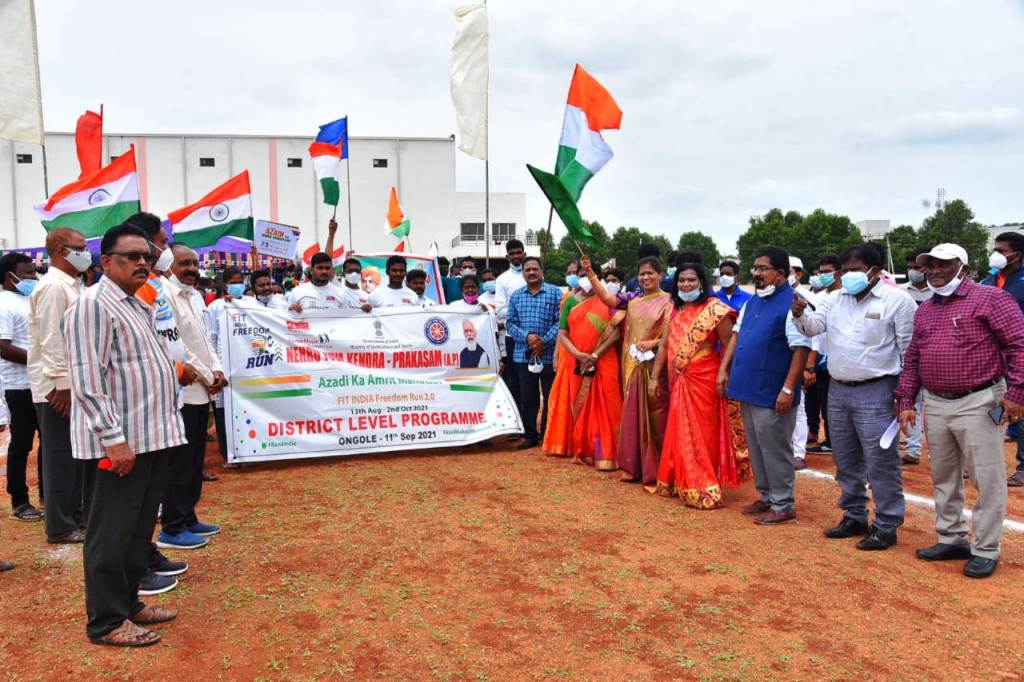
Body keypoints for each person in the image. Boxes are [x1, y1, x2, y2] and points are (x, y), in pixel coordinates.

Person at [67, 223, 188, 646]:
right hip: (119, 443)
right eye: (131, 256)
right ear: (106, 262)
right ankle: (106, 621)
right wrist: (113, 438)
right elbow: (87, 379)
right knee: (111, 532)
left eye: (147, 257)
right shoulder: (93, 305)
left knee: (138, 530)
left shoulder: (138, 303)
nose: (142, 263)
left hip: (150, 436)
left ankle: (130, 603)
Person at [896, 244, 1024, 578]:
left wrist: (1017, 393)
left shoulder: (991, 299)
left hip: (980, 399)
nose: (934, 270)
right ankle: (952, 537)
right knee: (944, 475)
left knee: (986, 477)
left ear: (963, 267)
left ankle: (985, 548)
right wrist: (906, 400)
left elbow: (1019, 345)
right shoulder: (926, 309)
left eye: (943, 264)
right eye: (930, 265)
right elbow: (913, 357)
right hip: (936, 401)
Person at [793, 244, 916, 550]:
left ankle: (887, 523)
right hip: (838, 388)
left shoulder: (898, 301)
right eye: (845, 270)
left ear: (876, 271)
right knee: (845, 457)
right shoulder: (834, 299)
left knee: (880, 461)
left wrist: (905, 397)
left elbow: (909, 351)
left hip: (878, 389)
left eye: (856, 270)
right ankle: (854, 514)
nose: (849, 275)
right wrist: (799, 314)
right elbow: (813, 328)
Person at [719, 246, 810, 525]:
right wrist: (724, 370)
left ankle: (783, 504)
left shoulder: (793, 304)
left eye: (762, 269)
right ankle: (767, 495)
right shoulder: (753, 302)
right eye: (755, 268)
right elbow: (736, 336)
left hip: (773, 390)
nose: (756, 273)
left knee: (775, 448)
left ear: (780, 274)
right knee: (757, 447)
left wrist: (788, 389)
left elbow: (801, 348)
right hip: (747, 386)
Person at [649, 262, 747, 507]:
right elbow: (664, 345)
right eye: (682, 280)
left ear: (701, 282)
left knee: (703, 432)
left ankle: (704, 484)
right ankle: (678, 479)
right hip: (678, 378)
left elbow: (729, 345)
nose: (686, 284)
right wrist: (654, 376)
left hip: (705, 379)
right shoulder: (673, 309)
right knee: (679, 428)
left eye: (691, 280)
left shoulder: (715, 309)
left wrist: (724, 374)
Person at [28, 227, 89, 544]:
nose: (86, 252)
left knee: (76, 456)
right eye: (81, 247)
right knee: (61, 458)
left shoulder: (73, 285)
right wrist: (61, 386)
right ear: (62, 251)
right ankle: (60, 525)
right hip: (56, 389)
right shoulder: (53, 287)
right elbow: (52, 339)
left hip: (73, 384)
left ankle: (75, 516)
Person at [165, 243, 227, 552]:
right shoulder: (165, 296)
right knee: (180, 462)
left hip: (202, 388)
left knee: (194, 460)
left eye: (194, 263)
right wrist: (206, 375)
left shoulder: (196, 296)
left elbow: (205, 340)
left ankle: (189, 517)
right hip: (184, 391)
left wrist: (216, 369)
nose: (191, 268)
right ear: (169, 265)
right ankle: (173, 527)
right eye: (183, 263)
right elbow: (179, 348)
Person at [543, 267, 622, 468]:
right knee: (579, 402)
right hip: (576, 361)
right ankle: (580, 447)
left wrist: (595, 356)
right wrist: (578, 355)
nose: (585, 279)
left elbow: (615, 334)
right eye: (581, 276)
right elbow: (562, 333)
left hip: (604, 360)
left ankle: (603, 451)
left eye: (589, 275)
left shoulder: (610, 301)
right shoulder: (570, 301)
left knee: (606, 403)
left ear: (597, 278)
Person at [0, 253, 43, 521]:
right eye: (27, 273)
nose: (33, 278)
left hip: (41, 382)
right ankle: (19, 500)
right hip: (18, 386)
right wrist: (41, 359)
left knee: (50, 441)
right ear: (10, 277)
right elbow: (4, 348)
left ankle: (49, 495)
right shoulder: (4, 304)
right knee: (22, 443)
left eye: (34, 272)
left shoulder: (31, 299)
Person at [980, 232, 1024, 486]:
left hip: (1019, 355)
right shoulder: (988, 281)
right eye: (995, 249)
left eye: (1002, 250)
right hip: (992, 359)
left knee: (1021, 410)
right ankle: (984, 459)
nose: (996, 254)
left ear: (1017, 254)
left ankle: (1023, 466)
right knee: (992, 408)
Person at [507, 257, 561, 449]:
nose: (531, 272)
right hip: (524, 354)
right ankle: (530, 435)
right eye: (527, 269)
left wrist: (543, 342)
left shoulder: (555, 293)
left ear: (541, 270)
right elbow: (510, 323)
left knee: (550, 396)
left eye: (534, 269)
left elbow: (561, 321)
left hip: (550, 354)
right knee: (528, 397)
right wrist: (528, 337)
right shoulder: (516, 295)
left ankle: (547, 434)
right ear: (523, 273)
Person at [898, 247, 933, 466]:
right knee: (912, 401)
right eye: (910, 267)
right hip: (909, 355)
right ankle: (912, 449)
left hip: (932, 355)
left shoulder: (937, 292)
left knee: (935, 405)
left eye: (917, 267)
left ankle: (938, 453)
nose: (913, 271)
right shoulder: (901, 292)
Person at [804, 255, 840, 456]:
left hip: (839, 358)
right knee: (823, 400)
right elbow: (815, 333)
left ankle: (835, 441)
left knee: (832, 403)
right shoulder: (821, 298)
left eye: (826, 272)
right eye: (820, 272)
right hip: (822, 357)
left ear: (839, 272)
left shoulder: (844, 296)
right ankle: (830, 440)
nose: (822, 276)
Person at [495, 239, 527, 413]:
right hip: (512, 337)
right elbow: (500, 311)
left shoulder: (534, 274)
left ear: (524, 254)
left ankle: (530, 423)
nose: (516, 256)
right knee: (515, 382)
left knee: (531, 381)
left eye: (518, 252)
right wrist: (524, 307)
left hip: (534, 336)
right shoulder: (502, 280)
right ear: (507, 257)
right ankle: (516, 418)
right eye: (512, 253)